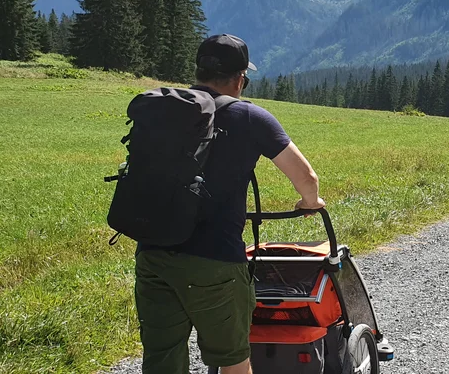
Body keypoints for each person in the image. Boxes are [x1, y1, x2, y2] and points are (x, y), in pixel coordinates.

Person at [133, 34, 325, 374]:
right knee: (233, 362)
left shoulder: (166, 109)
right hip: (215, 261)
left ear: (198, 72)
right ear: (240, 79)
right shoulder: (250, 117)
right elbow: (306, 177)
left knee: (162, 359)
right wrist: (310, 203)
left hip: (153, 254)